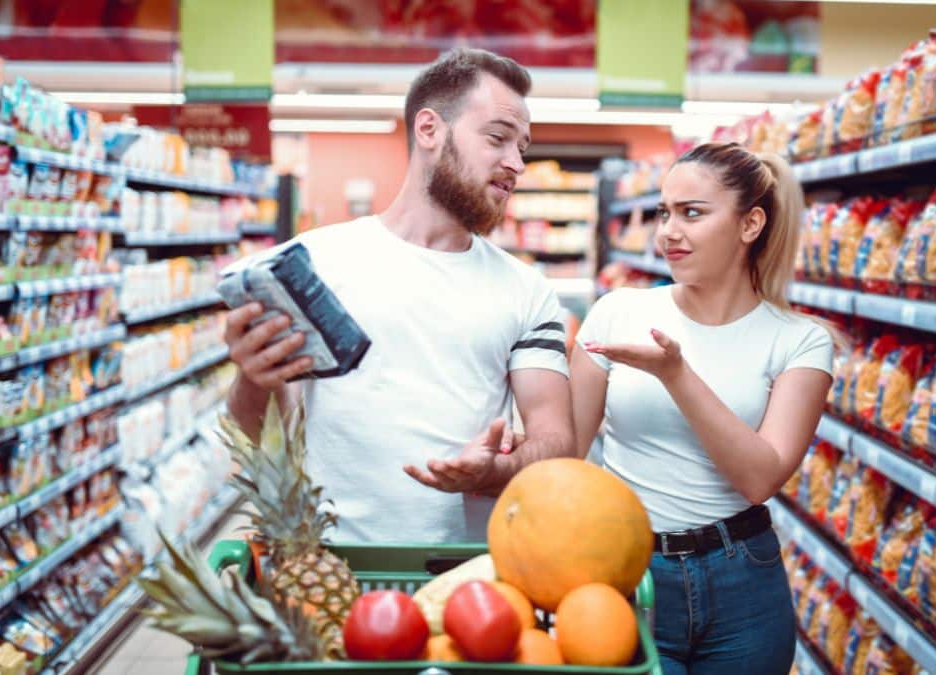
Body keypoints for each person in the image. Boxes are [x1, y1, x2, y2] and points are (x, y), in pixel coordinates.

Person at [223, 48, 575, 543]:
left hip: (469, 584)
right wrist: (252, 379)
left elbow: (557, 441)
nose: (516, 163)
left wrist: (495, 472)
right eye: (498, 138)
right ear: (429, 130)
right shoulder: (311, 266)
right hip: (331, 568)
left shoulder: (527, 290)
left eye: (523, 147)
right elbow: (259, 442)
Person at [571, 142, 835, 675]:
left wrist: (676, 374)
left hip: (744, 584)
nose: (668, 231)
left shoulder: (799, 342)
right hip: (629, 568)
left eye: (692, 213)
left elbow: (759, 478)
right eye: (665, 212)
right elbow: (563, 454)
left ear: (750, 224)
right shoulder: (618, 311)